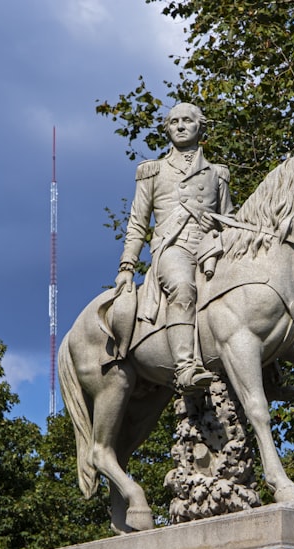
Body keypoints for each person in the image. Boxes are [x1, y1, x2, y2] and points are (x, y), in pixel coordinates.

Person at [114, 102, 232, 392]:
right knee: (182, 287)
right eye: (174, 122)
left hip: (210, 248)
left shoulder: (218, 173)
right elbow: (138, 223)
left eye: (187, 121)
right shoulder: (151, 171)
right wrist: (127, 266)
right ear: (166, 129)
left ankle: (270, 369)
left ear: (200, 127)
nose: (180, 126)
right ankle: (185, 367)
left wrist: (222, 227)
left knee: (248, 290)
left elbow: (230, 219)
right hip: (173, 248)